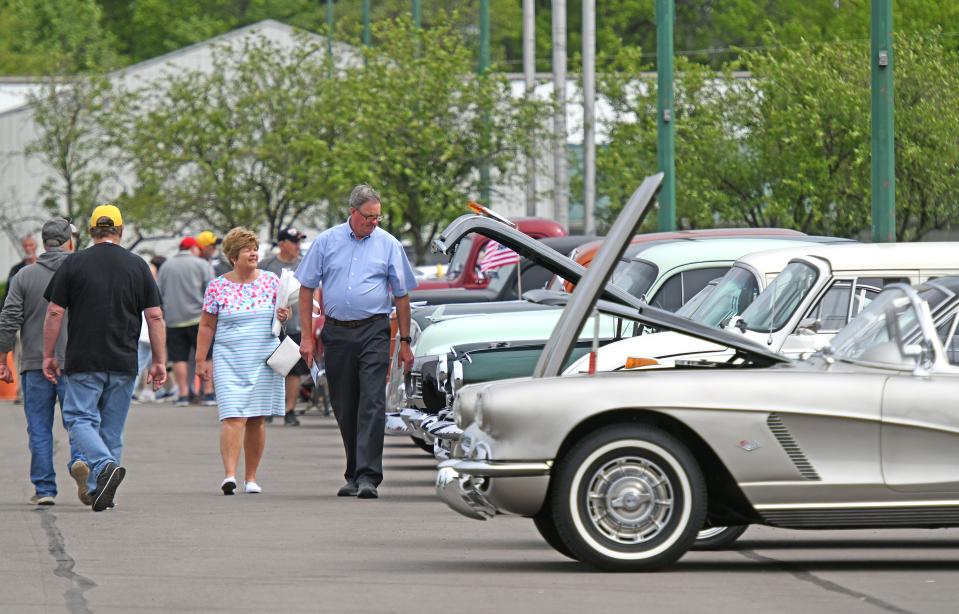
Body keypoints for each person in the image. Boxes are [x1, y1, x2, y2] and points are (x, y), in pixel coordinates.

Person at [42, 204, 167, 512]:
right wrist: (160, 360)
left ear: (90, 232)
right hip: (124, 360)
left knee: (79, 418)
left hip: (84, 358)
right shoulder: (138, 266)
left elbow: (55, 311)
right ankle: (101, 491)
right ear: (120, 231)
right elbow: (155, 316)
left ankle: (104, 465)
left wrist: (48, 354)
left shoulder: (74, 264)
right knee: (112, 429)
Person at [295, 184, 417, 500]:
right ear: (353, 212)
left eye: (378, 217)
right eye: (368, 217)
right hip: (336, 333)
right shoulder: (326, 242)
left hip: (374, 330)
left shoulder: (388, 244)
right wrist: (307, 337)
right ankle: (353, 472)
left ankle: (368, 477)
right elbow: (306, 288)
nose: (374, 222)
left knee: (372, 401)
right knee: (345, 403)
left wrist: (404, 341)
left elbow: (402, 296)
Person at [0, 218, 90, 506]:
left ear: (43, 242)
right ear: (69, 242)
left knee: (39, 427)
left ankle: (44, 489)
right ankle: (80, 461)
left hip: (35, 362)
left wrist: (3, 357)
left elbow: (9, 318)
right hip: (74, 361)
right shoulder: (83, 272)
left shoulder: (24, 276)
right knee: (78, 421)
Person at [195, 227, 289, 495]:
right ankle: (229, 475)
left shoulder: (272, 281)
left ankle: (251, 477)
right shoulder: (217, 286)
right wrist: (201, 359)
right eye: (247, 249)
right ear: (233, 257)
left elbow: (284, 313)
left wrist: (284, 313)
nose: (254, 253)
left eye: (255, 248)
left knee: (257, 418)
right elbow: (206, 326)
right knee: (233, 415)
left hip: (263, 357)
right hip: (229, 358)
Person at [156, 236, 214, 406]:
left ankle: (182, 394)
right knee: (205, 356)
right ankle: (208, 393)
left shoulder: (166, 266)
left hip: (174, 319)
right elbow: (211, 291)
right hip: (199, 318)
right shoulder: (202, 264)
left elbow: (159, 291)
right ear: (193, 249)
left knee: (178, 357)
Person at [259, 227, 308, 426]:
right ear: (282, 244)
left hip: (295, 326)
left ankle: (289, 409)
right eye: (293, 241)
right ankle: (268, 408)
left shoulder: (303, 264)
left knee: (294, 370)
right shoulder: (267, 264)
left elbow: (313, 293)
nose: (298, 246)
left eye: (299, 241)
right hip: (268, 326)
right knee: (269, 367)